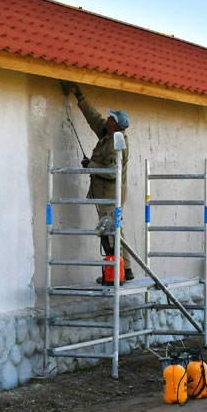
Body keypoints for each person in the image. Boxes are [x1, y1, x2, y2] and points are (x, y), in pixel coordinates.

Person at [61, 80, 134, 282]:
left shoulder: (117, 144)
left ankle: (117, 273)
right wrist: (80, 97)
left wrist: (90, 166)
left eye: (110, 117)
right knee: (114, 230)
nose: (107, 118)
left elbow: (113, 172)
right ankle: (124, 270)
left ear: (115, 124)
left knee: (111, 232)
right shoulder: (109, 134)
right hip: (105, 194)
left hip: (111, 195)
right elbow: (94, 118)